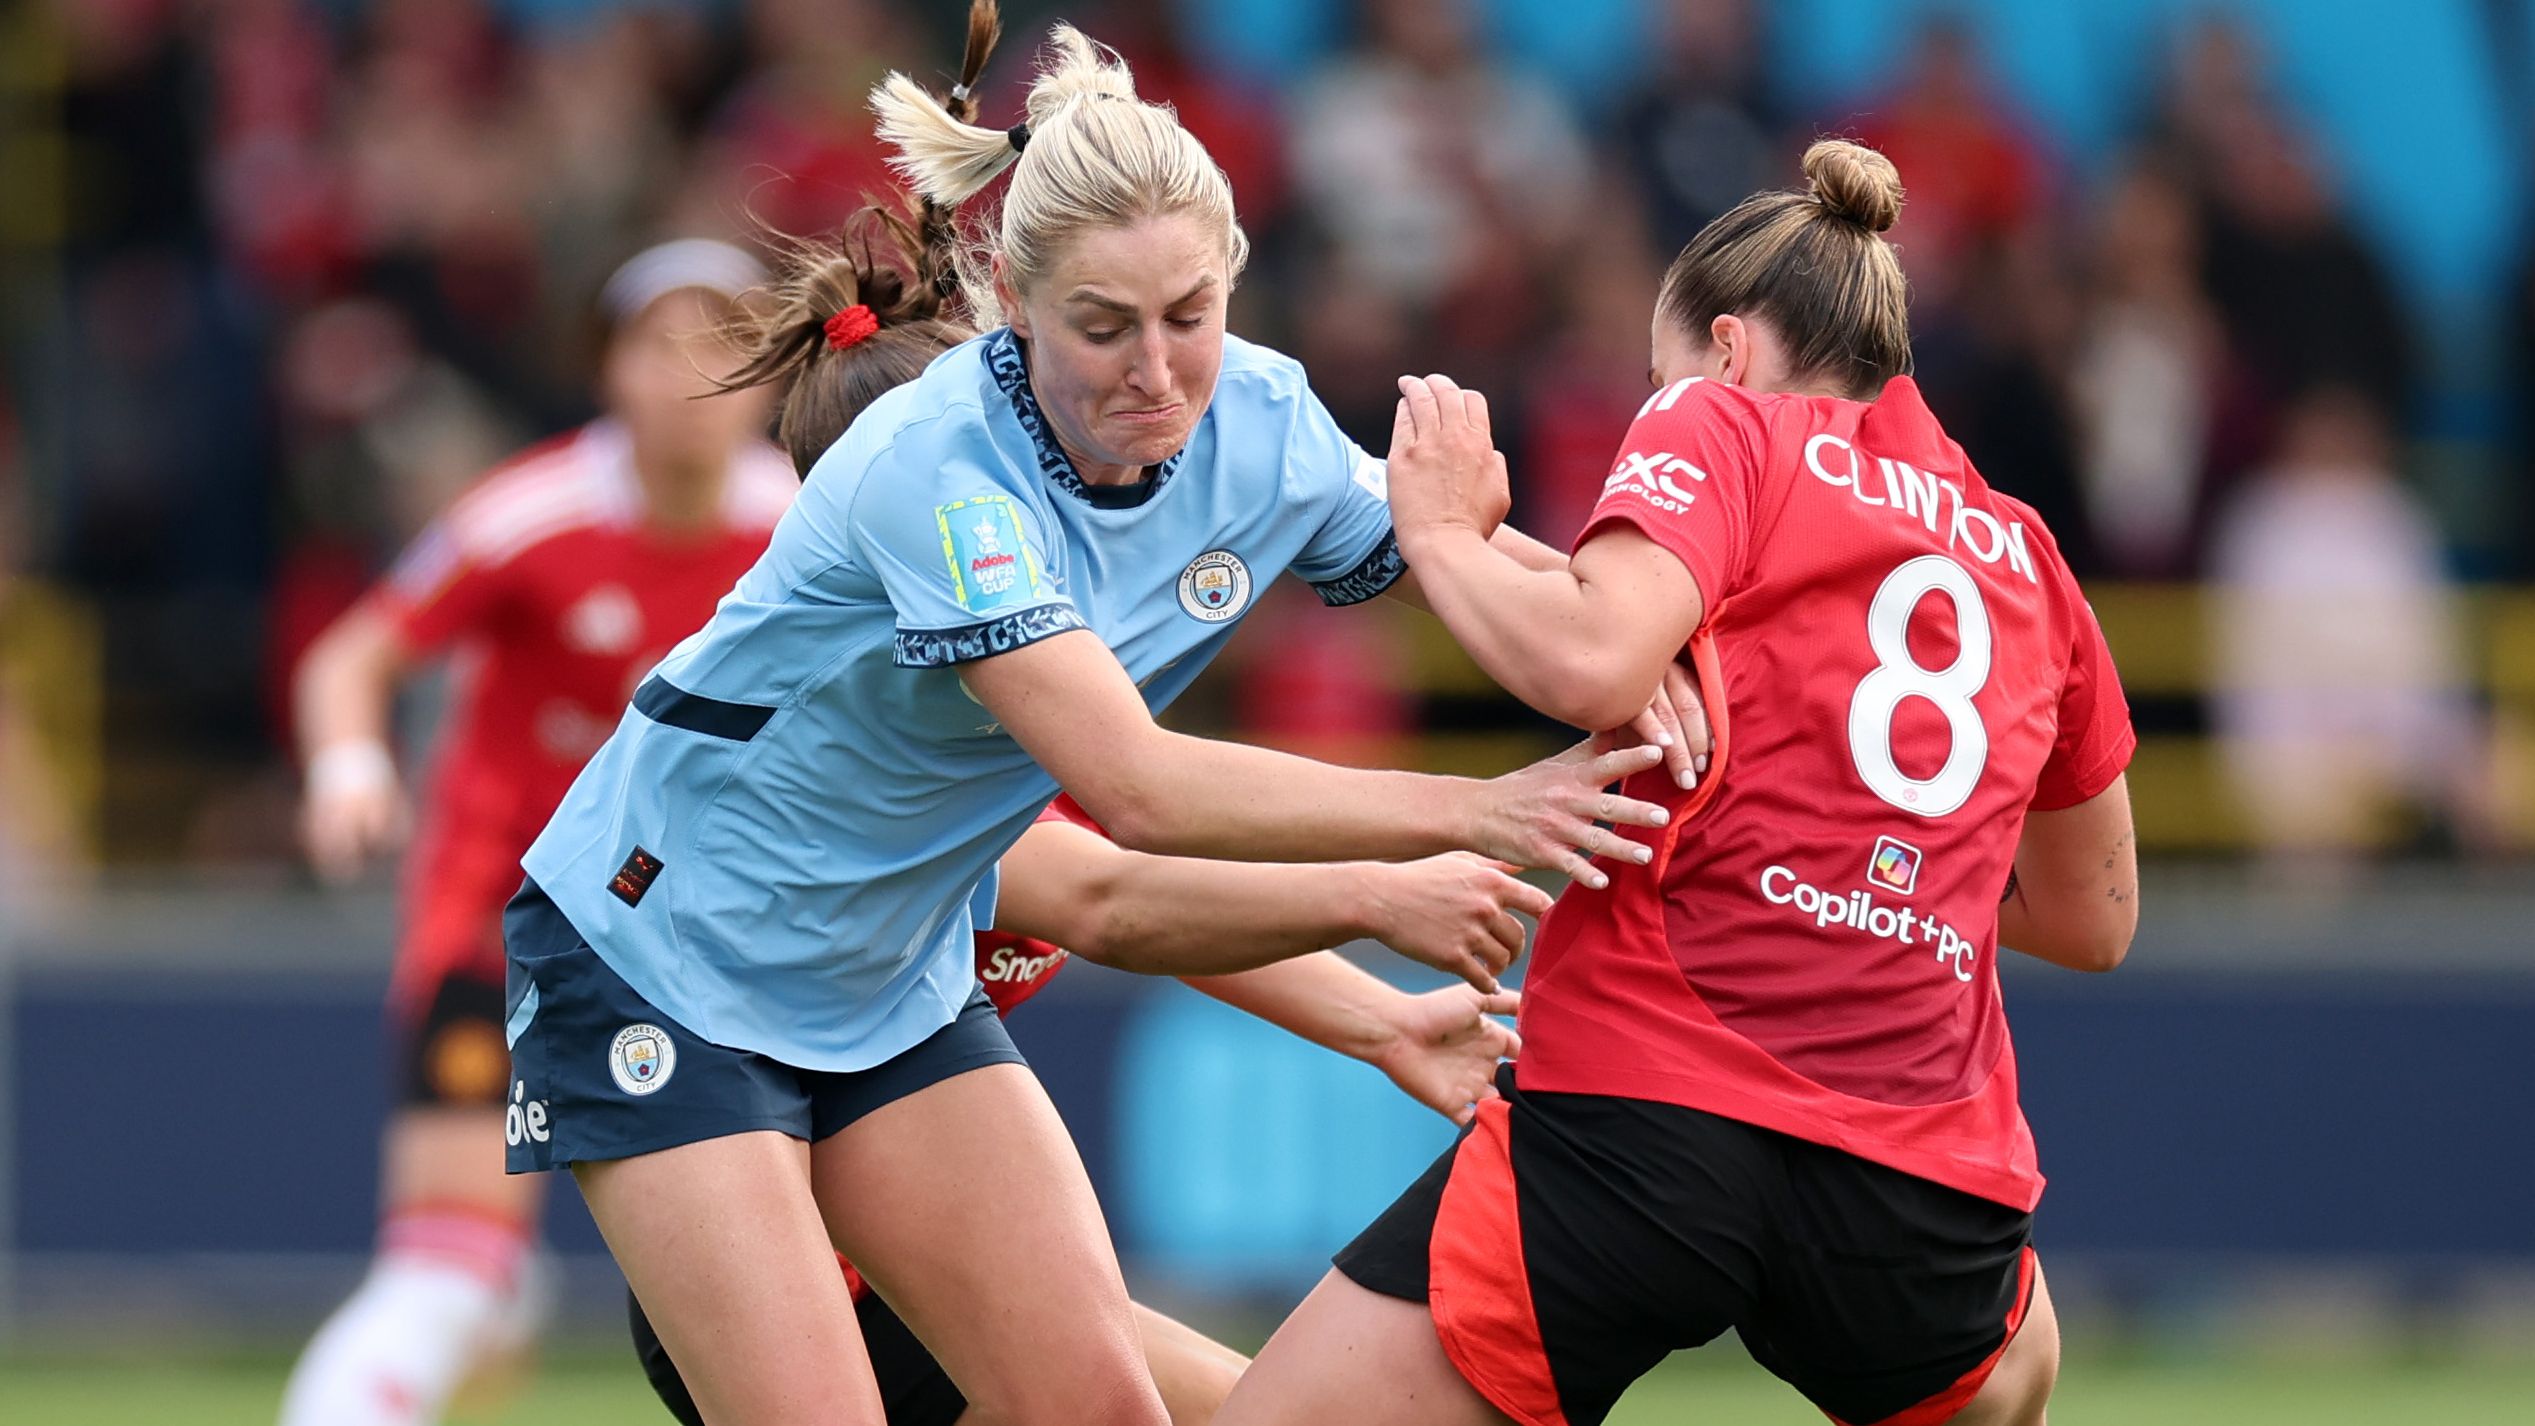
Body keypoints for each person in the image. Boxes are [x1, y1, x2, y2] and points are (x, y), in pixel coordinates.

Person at [502, 13, 1680, 1426]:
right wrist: (1474, 809)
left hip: (881, 987)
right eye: (1102, 326)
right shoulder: (938, 470)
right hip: (657, 957)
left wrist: (1642, 643)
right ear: (1008, 293)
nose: (1156, 373)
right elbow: (1132, 803)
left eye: (1189, 316)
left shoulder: (1262, 417)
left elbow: (1468, 565)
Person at [1215, 140, 2140, 1426]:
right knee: (2017, 1359)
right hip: (1918, 1189)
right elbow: (2095, 917)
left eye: (1662, 374)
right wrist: (1865, 863)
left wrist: (1435, 527)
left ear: (1724, 347)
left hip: (1644, 1122)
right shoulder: (2030, 556)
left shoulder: (1723, 419)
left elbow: (1592, 661)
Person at [278, 237, 797, 1426]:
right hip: (498, 934)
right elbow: (352, 654)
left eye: (721, 342)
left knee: (791, 1287)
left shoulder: (808, 528)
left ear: (769, 375)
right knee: (447, 1273)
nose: (687, 371)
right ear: (606, 370)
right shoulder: (529, 513)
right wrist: (351, 764)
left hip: (706, 956)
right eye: (656, 342)